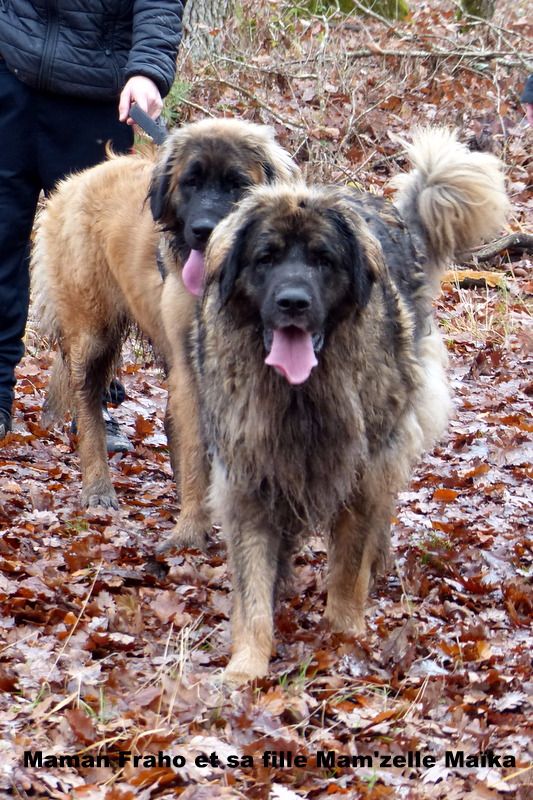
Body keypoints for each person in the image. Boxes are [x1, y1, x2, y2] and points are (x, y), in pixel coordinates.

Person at [0, 1, 184, 447]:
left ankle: (94, 401)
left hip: (96, 93)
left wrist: (148, 72)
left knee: (99, 269)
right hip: (10, 71)